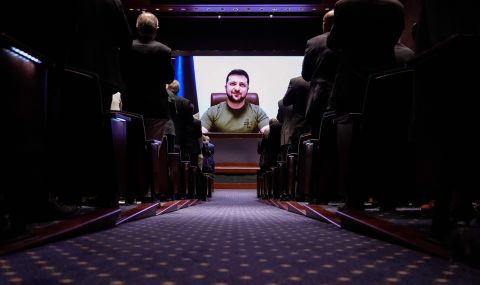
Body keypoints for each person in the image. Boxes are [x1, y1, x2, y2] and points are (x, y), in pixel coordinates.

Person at [66, 0, 132, 112]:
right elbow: (126, 40)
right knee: (100, 119)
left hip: (73, 70)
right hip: (104, 74)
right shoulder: (114, 3)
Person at [122, 12, 175, 140]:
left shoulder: (126, 48)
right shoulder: (165, 50)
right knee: (153, 148)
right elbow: (169, 78)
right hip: (156, 108)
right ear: (156, 29)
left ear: (137, 27)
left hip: (131, 105)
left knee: (132, 147)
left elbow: (121, 74)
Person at [301, 9, 338, 138]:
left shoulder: (314, 42)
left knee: (319, 141)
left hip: (320, 99)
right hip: (345, 99)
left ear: (325, 24)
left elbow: (306, 75)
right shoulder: (354, 42)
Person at [201, 69, 269, 133]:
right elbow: (199, 132)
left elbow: (267, 132)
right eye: (233, 84)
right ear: (226, 87)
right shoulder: (212, 112)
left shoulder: (258, 112)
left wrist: (274, 130)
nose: (237, 88)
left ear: (247, 89)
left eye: (242, 85)